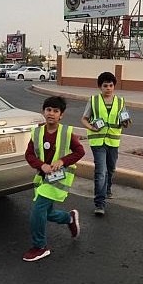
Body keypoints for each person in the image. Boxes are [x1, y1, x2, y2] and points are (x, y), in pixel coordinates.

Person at [23, 96, 85, 262]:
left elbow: (80, 152)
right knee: (47, 213)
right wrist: (41, 165)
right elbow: (28, 154)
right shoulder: (37, 132)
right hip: (43, 176)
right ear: (43, 112)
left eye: (55, 111)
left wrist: (62, 161)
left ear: (61, 115)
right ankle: (69, 218)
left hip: (59, 177)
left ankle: (40, 246)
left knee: (37, 210)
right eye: (48, 110)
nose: (51, 113)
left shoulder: (66, 132)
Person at [81, 71, 130, 216]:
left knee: (111, 168)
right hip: (97, 141)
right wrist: (91, 127)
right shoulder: (93, 100)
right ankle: (100, 203)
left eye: (110, 85)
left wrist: (126, 123)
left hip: (113, 141)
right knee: (101, 171)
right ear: (100, 87)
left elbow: (124, 120)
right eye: (105, 85)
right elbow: (84, 119)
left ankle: (107, 189)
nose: (108, 88)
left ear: (114, 86)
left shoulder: (120, 102)